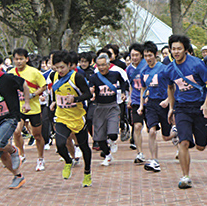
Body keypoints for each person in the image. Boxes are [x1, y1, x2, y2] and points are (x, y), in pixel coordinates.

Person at [166, 35, 207, 189]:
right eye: (173, 49)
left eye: (179, 48)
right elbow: (170, 87)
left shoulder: (197, 64)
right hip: (182, 109)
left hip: (199, 107)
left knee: (201, 146)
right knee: (184, 142)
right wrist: (171, 108)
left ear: (185, 49)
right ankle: (185, 176)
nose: (176, 52)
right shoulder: (170, 69)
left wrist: (206, 104)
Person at [48, 50, 93, 186]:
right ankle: (68, 161)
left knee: (84, 147)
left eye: (62, 67)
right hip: (62, 117)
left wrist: (76, 98)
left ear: (69, 65)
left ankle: (87, 173)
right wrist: (55, 102)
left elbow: (88, 95)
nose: (59, 70)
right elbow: (56, 92)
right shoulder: (53, 76)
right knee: (60, 144)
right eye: (57, 67)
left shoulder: (77, 77)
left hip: (78, 118)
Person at [0, 52, 31, 189]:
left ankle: (13, 151)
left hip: (9, 117)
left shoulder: (6, 78)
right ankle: (18, 176)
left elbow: (24, 85)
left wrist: (27, 103)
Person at [137, 41, 175, 172]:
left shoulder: (164, 69)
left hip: (163, 104)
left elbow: (172, 87)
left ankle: (176, 133)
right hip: (151, 104)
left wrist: (167, 101)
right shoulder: (143, 71)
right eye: (145, 56)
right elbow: (142, 88)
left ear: (156, 55)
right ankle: (154, 160)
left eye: (150, 55)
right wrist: (142, 105)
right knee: (151, 131)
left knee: (166, 136)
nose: (148, 58)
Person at [10, 48, 47, 170]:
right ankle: (21, 154)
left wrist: (33, 94)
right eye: (16, 59)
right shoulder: (10, 73)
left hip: (33, 108)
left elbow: (43, 86)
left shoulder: (34, 72)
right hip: (17, 108)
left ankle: (40, 159)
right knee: (16, 132)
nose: (19, 61)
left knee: (37, 135)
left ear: (27, 59)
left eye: (21, 59)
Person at [88, 53, 128, 166]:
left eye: (103, 65)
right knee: (100, 138)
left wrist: (124, 93)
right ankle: (107, 155)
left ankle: (112, 140)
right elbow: (90, 88)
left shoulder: (115, 74)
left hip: (112, 106)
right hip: (99, 107)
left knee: (113, 133)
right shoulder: (94, 77)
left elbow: (124, 83)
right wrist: (91, 92)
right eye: (99, 65)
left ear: (108, 65)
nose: (101, 67)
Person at [126, 43, 147, 164]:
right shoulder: (129, 69)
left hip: (148, 100)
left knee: (153, 129)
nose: (134, 57)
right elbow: (131, 84)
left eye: (136, 55)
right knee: (137, 126)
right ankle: (140, 153)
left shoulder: (147, 66)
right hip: (135, 100)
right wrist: (129, 98)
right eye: (132, 55)